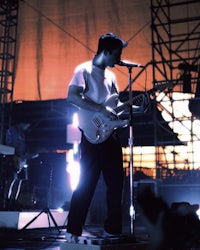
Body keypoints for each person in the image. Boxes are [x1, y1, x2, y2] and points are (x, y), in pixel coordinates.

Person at [66, 32, 143, 243]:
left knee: (116, 184)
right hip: (91, 136)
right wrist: (99, 109)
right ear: (106, 51)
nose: (118, 60)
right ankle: (73, 229)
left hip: (111, 136)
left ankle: (113, 230)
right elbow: (72, 96)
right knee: (86, 184)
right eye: (116, 55)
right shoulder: (83, 71)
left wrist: (135, 106)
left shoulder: (111, 76)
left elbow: (115, 106)